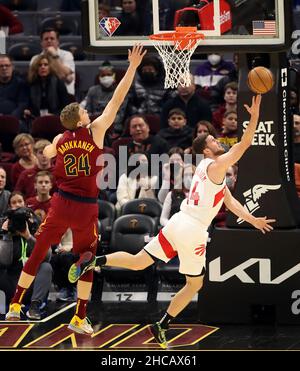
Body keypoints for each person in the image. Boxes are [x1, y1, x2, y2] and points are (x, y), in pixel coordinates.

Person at [69, 94, 276, 348]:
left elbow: (229, 201)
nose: (218, 140)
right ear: (207, 150)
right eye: (213, 140)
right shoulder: (217, 164)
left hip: (179, 222)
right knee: (194, 284)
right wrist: (254, 118)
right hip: (193, 229)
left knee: (139, 262)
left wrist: (251, 219)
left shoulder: (203, 167)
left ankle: (95, 261)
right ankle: (162, 324)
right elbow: (242, 146)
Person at [5, 44, 147, 335]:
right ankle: (80, 316)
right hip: (85, 207)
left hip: (60, 202)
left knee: (38, 252)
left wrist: (55, 148)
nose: (87, 110)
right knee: (88, 261)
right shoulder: (95, 130)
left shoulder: (59, 138)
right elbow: (117, 101)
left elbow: (49, 153)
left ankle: (15, 306)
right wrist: (131, 67)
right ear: (82, 120)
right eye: (83, 110)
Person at [0, 191, 52, 320]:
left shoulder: (36, 222)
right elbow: (4, 261)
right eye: (14, 202)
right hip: (11, 283)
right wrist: (6, 236)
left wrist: (29, 236)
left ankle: (34, 307)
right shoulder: (4, 225)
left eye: (20, 202)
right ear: (9, 207)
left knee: (46, 266)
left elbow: (47, 255)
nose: (17, 205)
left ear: (25, 204)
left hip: (32, 284)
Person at [30, 28, 75, 96]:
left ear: (57, 41)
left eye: (52, 38)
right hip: (42, 95)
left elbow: (64, 74)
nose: (49, 41)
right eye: (46, 39)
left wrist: (55, 55)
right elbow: (32, 79)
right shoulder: (35, 58)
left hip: (65, 95)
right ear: (41, 43)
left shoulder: (67, 55)